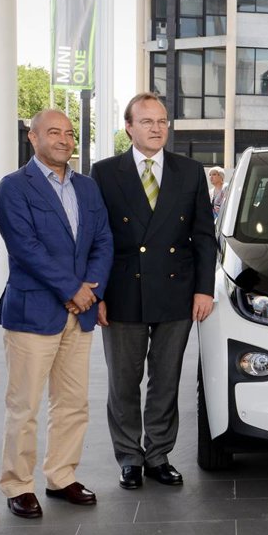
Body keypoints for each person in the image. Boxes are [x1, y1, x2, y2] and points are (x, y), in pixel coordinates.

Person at [92, 93, 217, 490]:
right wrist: (98, 294)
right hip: (122, 291)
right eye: (146, 121)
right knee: (123, 383)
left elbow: (204, 236)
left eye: (162, 121)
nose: (157, 128)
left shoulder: (190, 171)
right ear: (129, 127)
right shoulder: (104, 172)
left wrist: (204, 290)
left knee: (166, 381)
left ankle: (158, 455)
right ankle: (130, 457)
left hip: (176, 290)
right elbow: (97, 239)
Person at [0, 109, 114, 519]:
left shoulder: (87, 187)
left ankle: (61, 476)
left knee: (73, 403)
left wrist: (91, 291)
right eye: (53, 132)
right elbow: (25, 248)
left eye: (69, 132)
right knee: (24, 405)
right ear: (33, 137)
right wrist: (72, 290)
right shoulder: (14, 187)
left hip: (79, 314)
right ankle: (18, 484)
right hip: (33, 312)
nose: (64, 139)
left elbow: (103, 241)